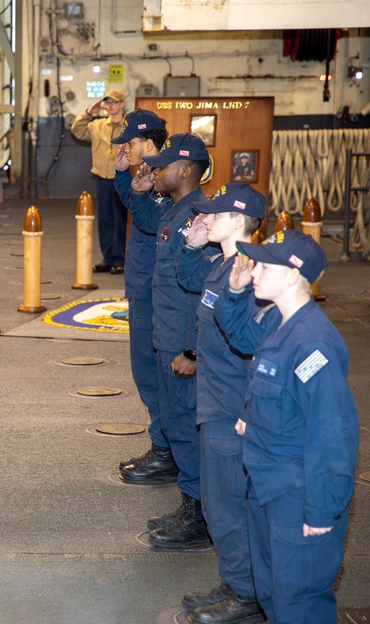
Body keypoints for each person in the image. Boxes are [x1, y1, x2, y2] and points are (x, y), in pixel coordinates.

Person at [217, 230, 358, 624]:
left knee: (299, 603)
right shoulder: (280, 324)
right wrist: (255, 421)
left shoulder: (312, 344)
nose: (253, 271)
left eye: (264, 265)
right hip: (267, 488)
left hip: (298, 496)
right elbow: (246, 344)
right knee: (274, 595)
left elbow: (332, 435)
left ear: (294, 275)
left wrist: (320, 512)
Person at [174, 183, 268, 624]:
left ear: (238, 221)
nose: (206, 218)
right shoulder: (221, 265)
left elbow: (259, 349)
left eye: (215, 214)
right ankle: (235, 581)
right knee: (218, 500)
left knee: (228, 501)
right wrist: (191, 246)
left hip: (232, 404)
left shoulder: (250, 274)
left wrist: (250, 413)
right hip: (212, 397)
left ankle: (246, 595)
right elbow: (191, 282)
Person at [128, 133, 210, 549]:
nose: (155, 171)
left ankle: (200, 516)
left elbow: (205, 292)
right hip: (166, 335)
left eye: (162, 166)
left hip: (181, 341)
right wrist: (140, 193)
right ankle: (191, 502)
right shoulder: (176, 211)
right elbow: (147, 223)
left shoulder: (200, 218)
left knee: (186, 425)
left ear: (186, 171)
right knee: (177, 424)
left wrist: (193, 349)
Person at [110, 109, 175, 483]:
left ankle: (166, 451)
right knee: (145, 371)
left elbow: (151, 220)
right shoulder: (148, 174)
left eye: (131, 143)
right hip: (142, 285)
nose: (126, 149)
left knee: (154, 374)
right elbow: (134, 204)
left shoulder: (166, 176)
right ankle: (163, 444)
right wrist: (124, 175)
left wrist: (137, 190)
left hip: (156, 291)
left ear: (149, 143)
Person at [70, 88, 128, 274]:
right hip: (102, 177)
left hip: (121, 177)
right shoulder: (97, 125)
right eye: (107, 102)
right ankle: (108, 258)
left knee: (120, 219)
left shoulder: (128, 126)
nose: (110, 106)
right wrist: (89, 112)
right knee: (105, 219)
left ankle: (120, 258)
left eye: (114, 102)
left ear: (122, 104)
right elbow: (77, 130)